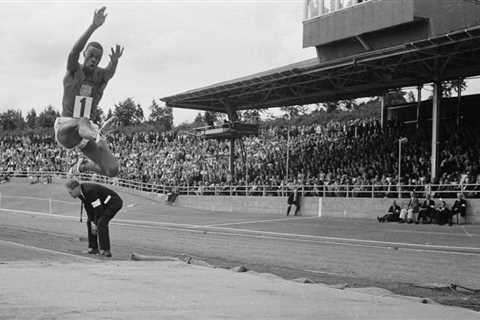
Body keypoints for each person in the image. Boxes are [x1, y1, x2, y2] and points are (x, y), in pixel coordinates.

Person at [54, 7, 124, 177]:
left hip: (87, 132)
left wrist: (114, 62)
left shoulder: (99, 79)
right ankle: (98, 134)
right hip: (67, 128)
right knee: (81, 121)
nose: (94, 60)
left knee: (112, 170)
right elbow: (73, 52)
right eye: (91, 55)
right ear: (84, 53)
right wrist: (93, 26)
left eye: (97, 58)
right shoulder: (74, 71)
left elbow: (109, 74)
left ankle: (83, 166)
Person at [66, 179, 123, 257]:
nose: (70, 195)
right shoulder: (80, 193)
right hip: (103, 204)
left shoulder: (89, 191)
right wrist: (92, 221)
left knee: (101, 222)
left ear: (76, 188)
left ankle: (105, 250)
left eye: (70, 192)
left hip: (113, 202)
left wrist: (95, 223)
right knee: (89, 222)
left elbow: (98, 209)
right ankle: (93, 248)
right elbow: (88, 207)